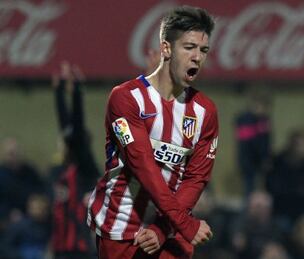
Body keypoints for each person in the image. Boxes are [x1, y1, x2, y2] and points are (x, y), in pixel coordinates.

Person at [87, 5, 218, 259]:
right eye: (189, 47)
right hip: (121, 228)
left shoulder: (206, 112)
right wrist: (187, 224)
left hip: (171, 231)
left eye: (203, 50)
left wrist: (162, 228)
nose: (197, 58)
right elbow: (144, 166)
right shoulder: (125, 99)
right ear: (166, 48)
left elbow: (196, 178)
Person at [49, 62, 100, 258]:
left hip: (81, 249)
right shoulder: (61, 169)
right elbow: (68, 131)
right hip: (61, 247)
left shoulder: (86, 169)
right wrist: (60, 92)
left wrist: (75, 93)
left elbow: (74, 131)